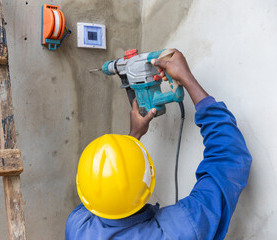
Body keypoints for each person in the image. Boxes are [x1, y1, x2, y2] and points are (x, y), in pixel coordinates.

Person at [65, 49, 252, 240]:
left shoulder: (77, 226)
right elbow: (229, 159)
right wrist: (187, 79)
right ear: (149, 176)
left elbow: (102, 195)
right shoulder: (179, 230)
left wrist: (134, 135)